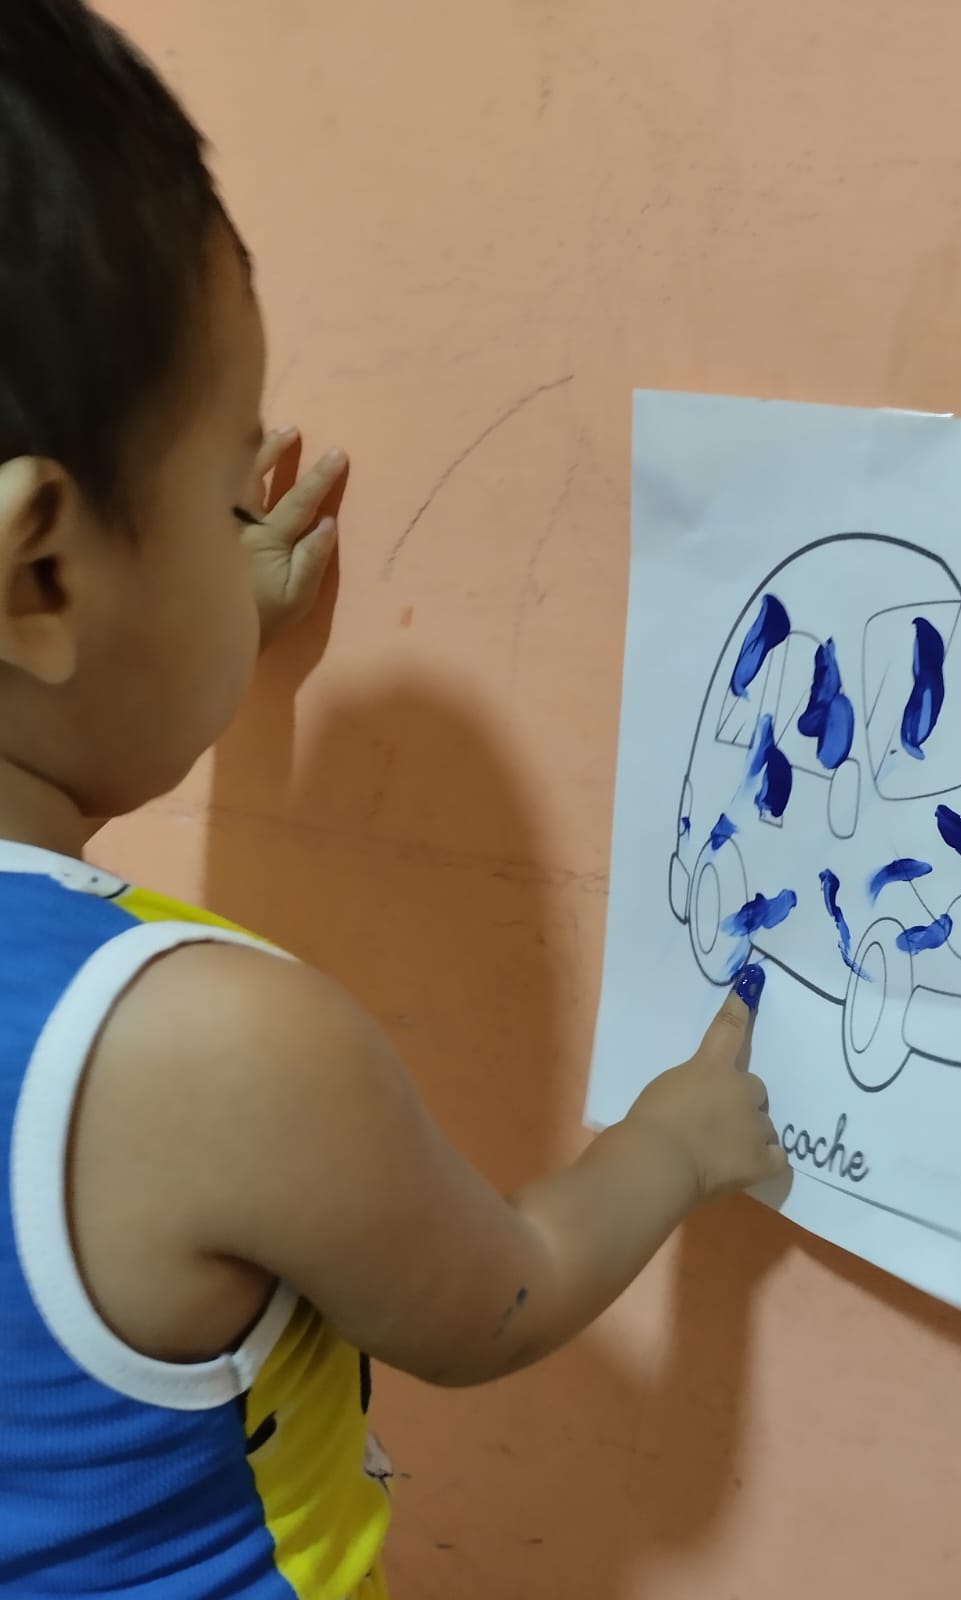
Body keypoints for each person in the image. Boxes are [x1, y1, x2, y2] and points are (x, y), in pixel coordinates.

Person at [0, 4, 786, 1595]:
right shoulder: (223, 1050)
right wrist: (672, 1144)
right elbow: (498, 1295)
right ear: (44, 577)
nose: (246, 529)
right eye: (222, 494)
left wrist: (202, 639)